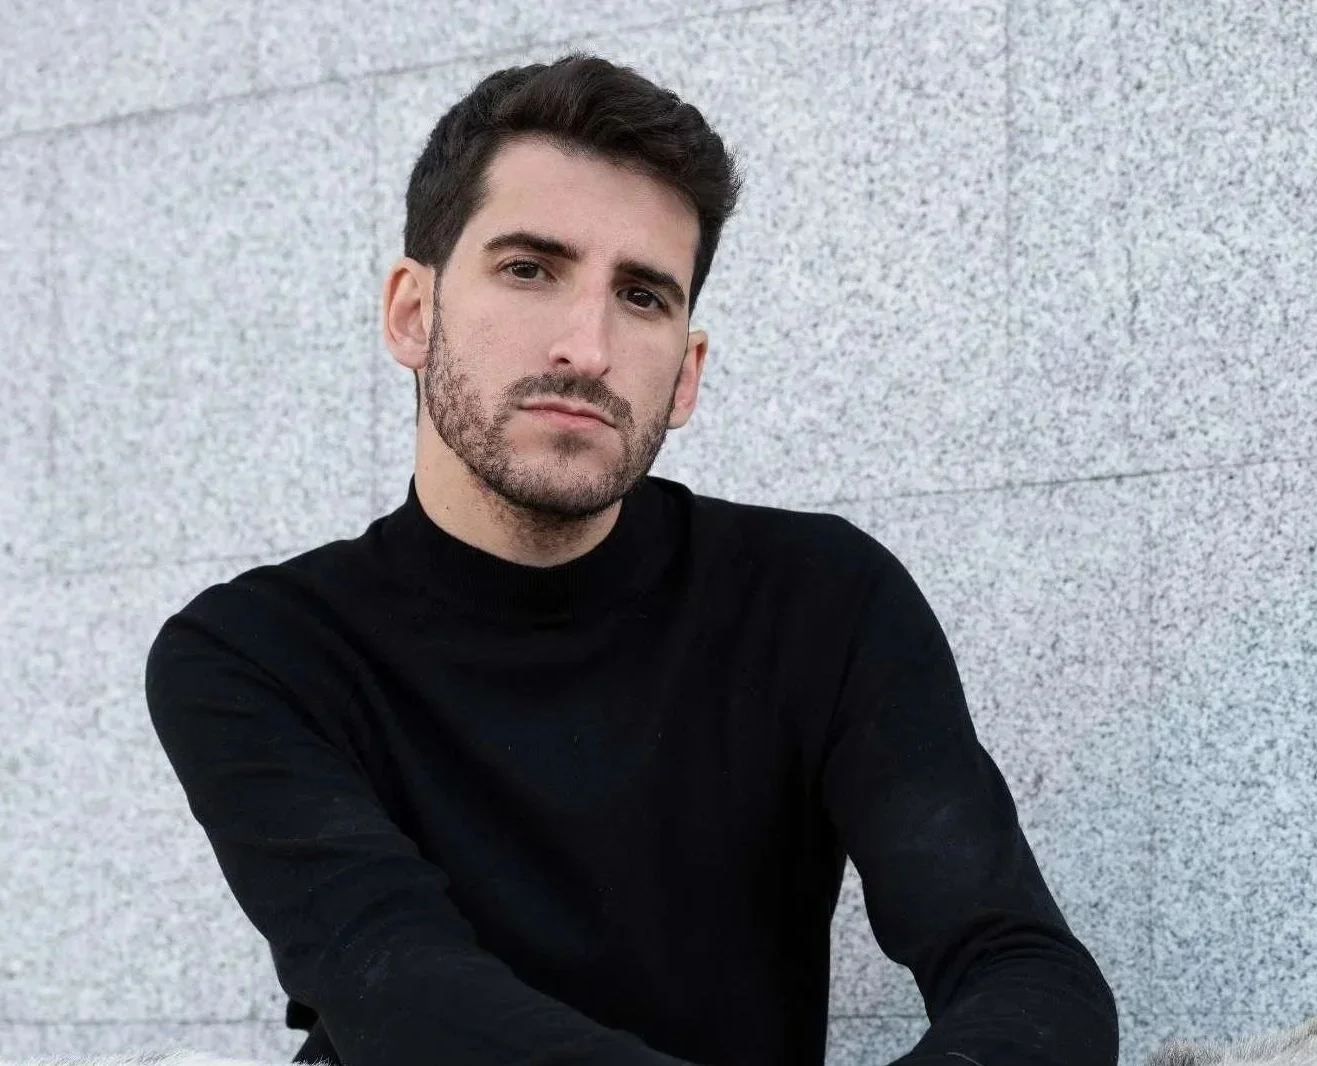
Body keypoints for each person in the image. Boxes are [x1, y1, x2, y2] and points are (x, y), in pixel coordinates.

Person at [145, 53, 1119, 1066]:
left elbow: (1021, 965)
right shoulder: (256, 652)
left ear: (687, 373)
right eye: (529, 269)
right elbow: (403, 990)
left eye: (644, 296)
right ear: (411, 311)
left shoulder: (821, 603)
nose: (587, 345)